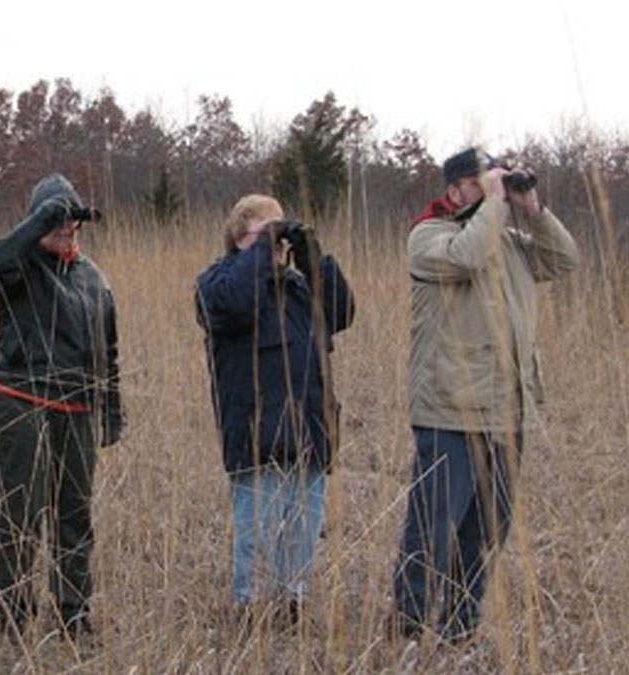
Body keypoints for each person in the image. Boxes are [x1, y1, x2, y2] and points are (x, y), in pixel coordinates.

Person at [392, 148, 579, 642]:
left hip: (506, 410)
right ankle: (407, 624)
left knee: (485, 531)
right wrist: (496, 202)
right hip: (450, 409)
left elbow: (565, 259)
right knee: (433, 525)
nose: (493, 189)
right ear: (454, 190)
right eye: (482, 182)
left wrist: (532, 208)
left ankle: (460, 622)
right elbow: (468, 255)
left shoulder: (510, 240)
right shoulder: (429, 235)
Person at [195, 194, 354, 625]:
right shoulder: (216, 283)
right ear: (239, 237)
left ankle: (291, 607)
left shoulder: (300, 289)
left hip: (309, 431)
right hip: (256, 435)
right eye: (267, 233)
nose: (278, 243)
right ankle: (249, 612)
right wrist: (264, 249)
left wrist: (309, 251)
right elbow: (235, 305)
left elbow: (342, 310)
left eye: (281, 232)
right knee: (257, 535)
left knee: (301, 534)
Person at [0, 173, 124, 643]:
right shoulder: (19, 268)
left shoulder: (93, 277)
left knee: (74, 514)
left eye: (72, 221)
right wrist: (41, 219)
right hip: (21, 401)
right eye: (57, 221)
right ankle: (10, 616)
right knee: (24, 511)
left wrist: (111, 407)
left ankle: (73, 614)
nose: (67, 229)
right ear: (37, 221)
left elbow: (109, 349)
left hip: (77, 408)